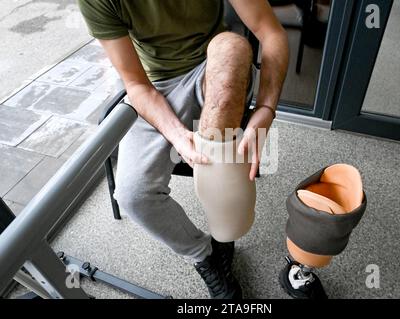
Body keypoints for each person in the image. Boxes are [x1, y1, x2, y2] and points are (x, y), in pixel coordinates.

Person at [77, 0, 289, 299]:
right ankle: (206, 256)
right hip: (153, 86)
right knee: (132, 195)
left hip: (213, 68)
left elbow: (271, 32)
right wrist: (176, 135)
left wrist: (267, 108)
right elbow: (137, 85)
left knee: (232, 47)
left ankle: (223, 228)